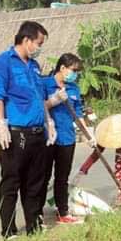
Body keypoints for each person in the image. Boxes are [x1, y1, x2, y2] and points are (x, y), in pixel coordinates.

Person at [0, 21, 58, 239]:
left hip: (38, 133)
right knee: (11, 182)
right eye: (38, 43)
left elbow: (40, 97)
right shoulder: (2, 63)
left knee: (35, 184)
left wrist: (48, 122)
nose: (39, 47)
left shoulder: (34, 66)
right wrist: (1, 125)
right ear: (26, 40)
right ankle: (9, 231)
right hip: (16, 133)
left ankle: (33, 226)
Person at [40, 53, 93, 224]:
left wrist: (88, 135)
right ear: (62, 68)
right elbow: (38, 107)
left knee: (62, 177)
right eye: (73, 70)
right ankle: (36, 212)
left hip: (67, 138)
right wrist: (52, 101)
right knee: (43, 175)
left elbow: (78, 115)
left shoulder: (74, 89)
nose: (75, 75)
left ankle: (62, 211)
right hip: (48, 138)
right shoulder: (45, 84)